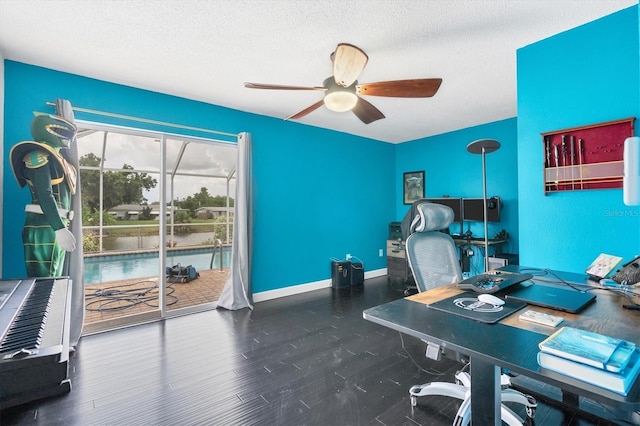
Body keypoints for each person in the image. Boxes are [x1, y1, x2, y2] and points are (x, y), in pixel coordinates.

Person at [10, 114, 78, 277]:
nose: (68, 138)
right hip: (45, 224)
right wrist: (59, 227)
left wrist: (61, 226)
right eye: (61, 131)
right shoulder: (37, 155)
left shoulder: (59, 158)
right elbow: (44, 193)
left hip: (56, 223)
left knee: (54, 278)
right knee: (44, 280)